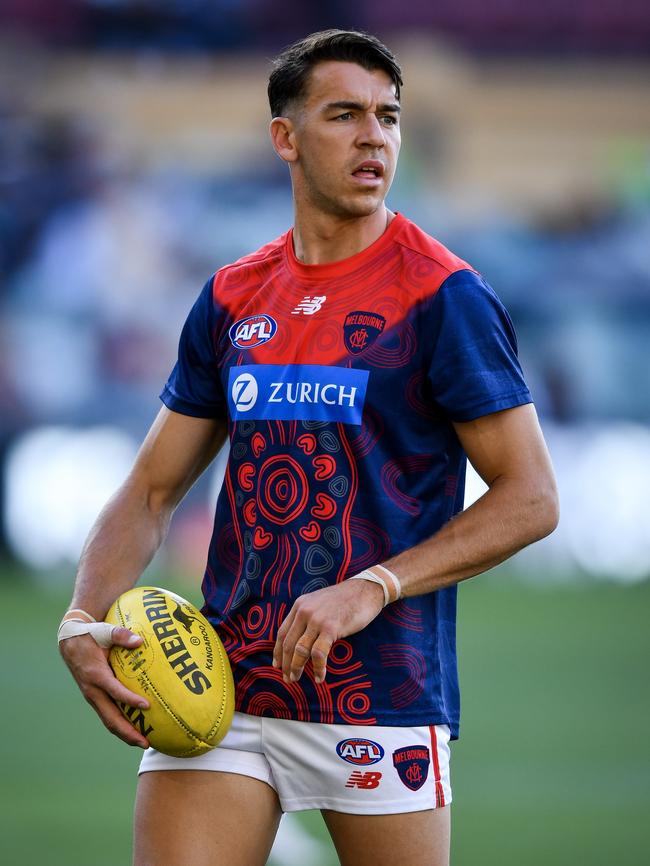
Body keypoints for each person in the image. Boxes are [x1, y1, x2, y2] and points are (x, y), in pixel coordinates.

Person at [58, 29, 559, 866]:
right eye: (345, 115)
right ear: (285, 138)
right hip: (220, 684)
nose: (375, 136)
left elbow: (532, 496)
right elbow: (151, 490)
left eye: (388, 116)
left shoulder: (443, 297)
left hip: (380, 694)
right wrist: (81, 614)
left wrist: (373, 586)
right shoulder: (231, 295)